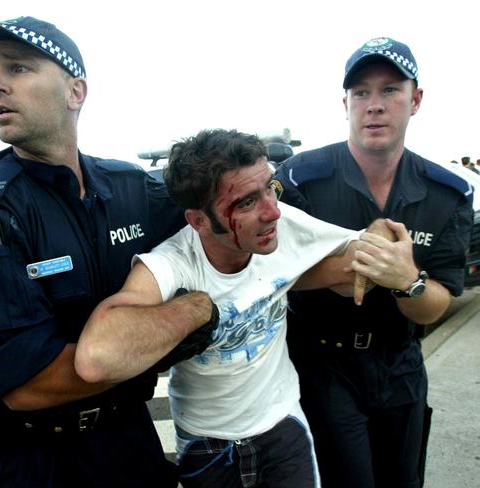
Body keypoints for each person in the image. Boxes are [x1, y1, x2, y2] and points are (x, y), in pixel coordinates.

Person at [0, 15, 204, 487]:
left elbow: (213, 205)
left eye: (17, 68)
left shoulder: (129, 186)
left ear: (76, 91)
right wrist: (179, 326)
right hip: (38, 461)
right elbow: (25, 385)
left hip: (132, 440)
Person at [75, 128, 371, 487]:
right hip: (206, 446)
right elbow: (96, 357)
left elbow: (364, 245)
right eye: (246, 202)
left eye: (269, 188)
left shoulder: (282, 225)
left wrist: (398, 261)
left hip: (282, 427)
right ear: (198, 221)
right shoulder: (175, 262)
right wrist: (197, 308)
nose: (272, 211)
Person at [273, 37, 474, 488]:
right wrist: (355, 261)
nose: (374, 105)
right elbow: (270, 273)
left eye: (390, 90)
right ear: (344, 103)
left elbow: (438, 300)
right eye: (361, 92)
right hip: (322, 365)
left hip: (400, 363)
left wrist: (407, 280)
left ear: (415, 100)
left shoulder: (447, 194)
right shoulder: (300, 179)